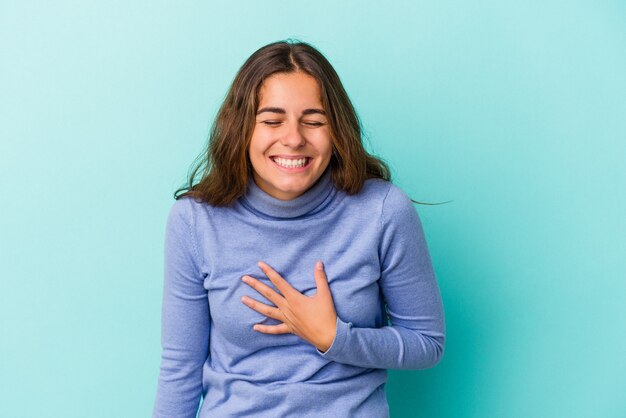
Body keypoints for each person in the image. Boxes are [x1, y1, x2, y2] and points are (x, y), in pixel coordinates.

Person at [152, 39, 446, 418]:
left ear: (336, 130)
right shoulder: (194, 220)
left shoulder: (383, 211)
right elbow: (180, 369)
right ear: (242, 129)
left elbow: (427, 343)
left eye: (314, 121)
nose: (293, 138)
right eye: (272, 120)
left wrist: (335, 337)